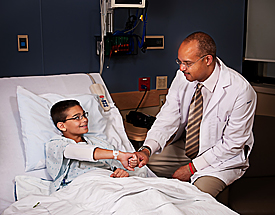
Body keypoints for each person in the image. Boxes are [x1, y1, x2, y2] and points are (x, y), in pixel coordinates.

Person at [134, 31, 257, 197]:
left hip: (220, 160)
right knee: (142, 168)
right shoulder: (183, 77)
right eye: (180, 61)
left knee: (195, 198)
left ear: (207, 60)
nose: (181, 68)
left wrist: (191, 168)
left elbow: (232, 144)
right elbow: (167, 118)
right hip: (187, 149)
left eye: (187, 63)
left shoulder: (240, 90)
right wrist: (147, 149)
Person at [46, 99, 140, 193]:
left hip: (110, 180)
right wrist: (118, 155)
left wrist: (123, 169)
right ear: (62, 126)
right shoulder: (56, 144)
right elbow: (79, 151)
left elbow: (117, 164)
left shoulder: (98, 142)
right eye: (77, 117)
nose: (85, 119)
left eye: (84, 115)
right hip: (84, 186)